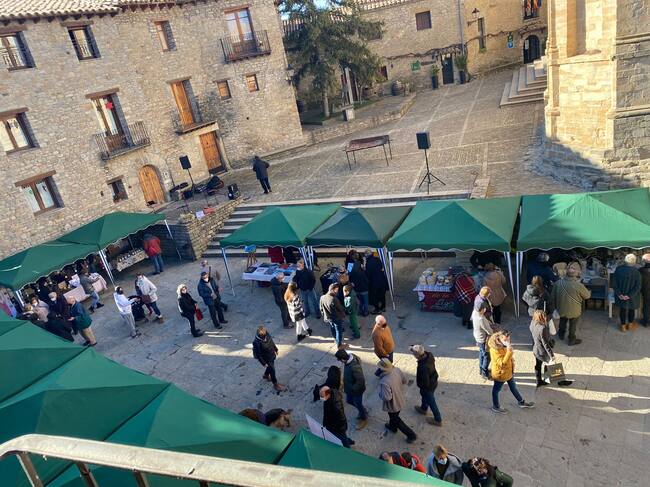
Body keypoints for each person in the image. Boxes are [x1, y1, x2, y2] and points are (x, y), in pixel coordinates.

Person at [488, 330, 534, 413]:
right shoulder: (494, 349)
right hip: (500, 374)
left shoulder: (503, 344)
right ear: (499, 338)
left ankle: (521, 402)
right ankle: (496, 406)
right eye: (506, 340)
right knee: (496, 390)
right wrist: (509, 350)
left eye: (509, 339)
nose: (508, 342)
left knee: (513, 387)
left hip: (508, 372)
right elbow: (502, 363)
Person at [377, 358, 417, 443]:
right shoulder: (397, 370)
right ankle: (392, 427)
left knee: (396, 419)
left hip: (393, 405)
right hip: (400, 398)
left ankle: (411, 435)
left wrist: (380, 394)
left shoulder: (384, 381)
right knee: (393, 417)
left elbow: (386, 397)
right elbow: (404, 381)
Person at [550, 266, 590, 345]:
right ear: (575, 274)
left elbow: (552, 297)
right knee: (573, 324)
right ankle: (571, 340)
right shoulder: (579, 285)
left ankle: (561, 335)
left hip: (561, 308)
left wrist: (554, 307)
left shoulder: (558, 283)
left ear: (566, 273)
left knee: (562, 321)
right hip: (574, 310)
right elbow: (587, 296)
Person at [335, 349, 368, 430]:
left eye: (339, 360)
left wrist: (353, 389)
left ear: (343, 359)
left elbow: (360, 381)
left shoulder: (354, 367)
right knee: (349, 401)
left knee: (358, 404)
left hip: (356, 391)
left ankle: (364, 418)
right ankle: (363, 410)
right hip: (350, 389)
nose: (340, 362)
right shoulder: (347, 362)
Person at [410, 344, 442, 426]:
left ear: (417, 355)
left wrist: (421, 386)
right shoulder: (429, 355)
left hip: (428, 387)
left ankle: (438, 419)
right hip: (433, 381)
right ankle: (423, 408)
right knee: (424, 395)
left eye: (414, 354)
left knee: (431, 402)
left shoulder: (423, 367)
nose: (413, 355)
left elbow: (425, 382)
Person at [612, 253, 642, 333]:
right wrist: (629, 296)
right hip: (632, 296)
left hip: (621, 295)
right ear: (634, 262)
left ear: (625, 260)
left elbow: (614, 284)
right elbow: (638, 287)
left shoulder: (618, 269)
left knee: (623, 309)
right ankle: (630, 325)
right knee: (631, 309)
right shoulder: (637, 272)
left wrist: (619, 294)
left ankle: (623, 327)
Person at [252, 326, 285, 391]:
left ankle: (266, 375)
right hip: (266, 358)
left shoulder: (266, 334)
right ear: (260, 335)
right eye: (263, 337)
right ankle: (275, 384)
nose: (265, 338)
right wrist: (263, 363)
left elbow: (271, 342)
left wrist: (276, 349)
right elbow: (258, 355)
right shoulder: (256, 342)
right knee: (272, 370)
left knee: (270, 367)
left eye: (265, 335)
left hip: (271, 354)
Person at [472, 287, 495, 379]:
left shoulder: (475, 313)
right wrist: (494, 333)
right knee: (487, 356)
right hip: (482, 338)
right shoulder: (481, 319)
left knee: (481, 353)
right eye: (484, 309)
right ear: (482, 309)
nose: (485, 310)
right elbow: (488, 330)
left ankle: (481, 369)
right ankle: (484, 373)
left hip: (477, 336)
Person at [641, 254, 650, 326]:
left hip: (645, 291)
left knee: (646, 306)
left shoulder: (641, 270)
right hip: (646, 290)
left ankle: (646, 321)